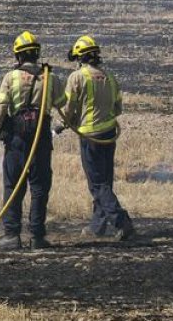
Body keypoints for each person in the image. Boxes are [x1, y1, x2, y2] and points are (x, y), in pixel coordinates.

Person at [0, 31, 65, 249]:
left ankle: (12, 236)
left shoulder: (10, 78)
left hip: (16, 139)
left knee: (13, 186)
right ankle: (38, 237)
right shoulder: (50, 77)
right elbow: (64, 105)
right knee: (40, 187)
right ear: (37, 54)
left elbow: (0, 109)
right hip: (41, 138)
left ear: (18, 56)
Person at [63, 35, 135, 241]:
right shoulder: (110, 78)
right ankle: (97, 226)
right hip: (109, 135)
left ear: (80, 57)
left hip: (90, 136)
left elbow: (69, 108)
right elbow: (118, 108)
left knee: (97, 184)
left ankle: (122, 222)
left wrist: (66, 123)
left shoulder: (77, 77)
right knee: (105, 181)